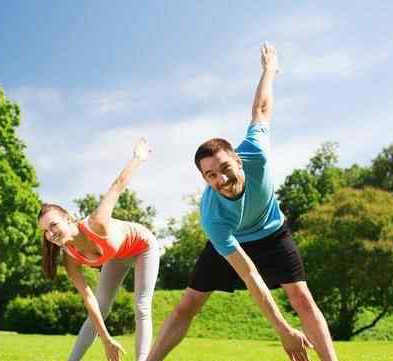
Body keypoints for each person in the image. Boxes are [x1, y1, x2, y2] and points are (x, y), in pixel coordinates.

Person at [146, 44, 339, 361]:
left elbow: (261, 110)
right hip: (235, 240)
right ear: (204, 179)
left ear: (238, 159)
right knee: (189, 302)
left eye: (225, 168)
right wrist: (283, 331)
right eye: (210, 175)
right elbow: (250, 276)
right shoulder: (212, 217)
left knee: (301, 297)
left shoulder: (256, 155)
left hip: (273, 233)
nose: (221, 179)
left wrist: (269, 71)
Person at [38, 138, 159, 361]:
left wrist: (138, 157)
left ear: (67, 217)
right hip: (117, 256)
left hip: (143, 247)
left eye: (53, 224)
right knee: (100, 307)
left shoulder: (96, 222)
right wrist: (106, 340)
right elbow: (89, 299)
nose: (51, 233)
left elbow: (118, 185)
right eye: (46, 230)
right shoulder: (70, 256)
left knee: (141, 306)